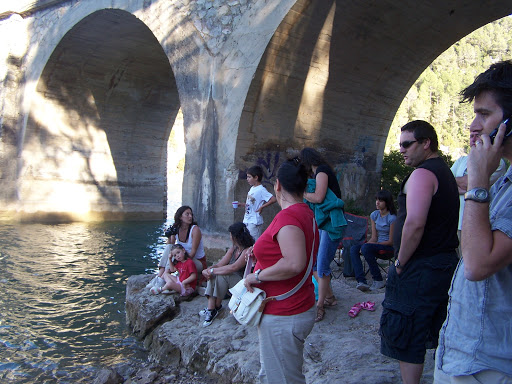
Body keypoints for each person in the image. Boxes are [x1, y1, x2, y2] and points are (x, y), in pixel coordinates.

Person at [434, 60, 512, 383]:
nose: (473, 124)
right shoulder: (505, 181)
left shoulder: (490, 180)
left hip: (486, 366)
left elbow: (476, 265)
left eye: (484, 114)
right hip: (464, 354)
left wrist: (478, 177)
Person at [379, 120, 459, 384]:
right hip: (443, 263)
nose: (401, 150)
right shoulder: (443, 172)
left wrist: (400, 262)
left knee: (408, 331)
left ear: (426, 143)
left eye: (406, 144)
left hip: (420, 266)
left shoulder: (423, 174)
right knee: (430, 327)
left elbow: (415, 223)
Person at [244, 158, 318, 384]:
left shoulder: (289, 216)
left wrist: (256, 276)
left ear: (277, 185)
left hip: (285, 312)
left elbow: (294, 263)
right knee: (275, 373)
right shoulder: (305, 212)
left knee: (283, 379)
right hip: (294, 306)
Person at [301, 147, 346, 322]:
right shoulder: (321, 171)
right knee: (317, 265)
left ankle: (320, 306)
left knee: (321, 266)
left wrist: (302, 193)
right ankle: (330, 298)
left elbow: (319, 198)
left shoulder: (321, 171)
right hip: (326, 223)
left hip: (331, 224)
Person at [450, 140, 506, 257]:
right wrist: (467, 184)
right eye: (471, 134)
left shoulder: (497, 163)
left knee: (470, 264)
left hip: (477, 227)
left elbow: (469, 184)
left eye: (478, 134)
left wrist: (459, 183)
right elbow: (445, 182)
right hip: (455, 224)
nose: (473, 137)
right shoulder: (462, 160)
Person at [200, 222, 254, 327]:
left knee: (221, 275)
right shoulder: (233, 249)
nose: (229, 237)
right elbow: (220, 264)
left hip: (242, 282)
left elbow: (234, 267)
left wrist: (213, 272)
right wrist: (208, 270)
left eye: (230, 234)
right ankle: (212, 308)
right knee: (215, 274)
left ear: (235, 236)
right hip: (231, 280)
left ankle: (214, 308)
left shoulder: (247, 250)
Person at [350, 189, 396, 291]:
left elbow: (391, 241)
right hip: (376, 245)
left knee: (366, 247)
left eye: (380, 200)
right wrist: (365, 245)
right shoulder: (374, 215)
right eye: (376, 200)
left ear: (387, 202)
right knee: (354, 249)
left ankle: (378, 279)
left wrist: (368, 246)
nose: (377, 202)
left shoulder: (392, 218)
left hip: (388, 247)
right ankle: (361, 281)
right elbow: (374, 237)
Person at [160, 206, 207, 282]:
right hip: (182, 259)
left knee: (176, 254)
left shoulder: (195, 230)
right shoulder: (176, 228)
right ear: (180, 217)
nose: (190, 216)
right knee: (169, 247)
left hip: (196, 261)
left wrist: (178, 261)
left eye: (191, 214)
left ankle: (163, 277)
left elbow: (193, 253)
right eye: (187, 214)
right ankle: (160, 274)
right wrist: (170, 236)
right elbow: (170, 246)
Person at [242, 165, 277, 241]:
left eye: (249, 177)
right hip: (247, 219)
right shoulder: (252, 188)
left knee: (253, 242)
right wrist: (241, 204)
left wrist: (262, 207)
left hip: (254, 221)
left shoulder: (261, 190)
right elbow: (252, 204)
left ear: (256, 178)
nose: (247, 179)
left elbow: (273, 199)